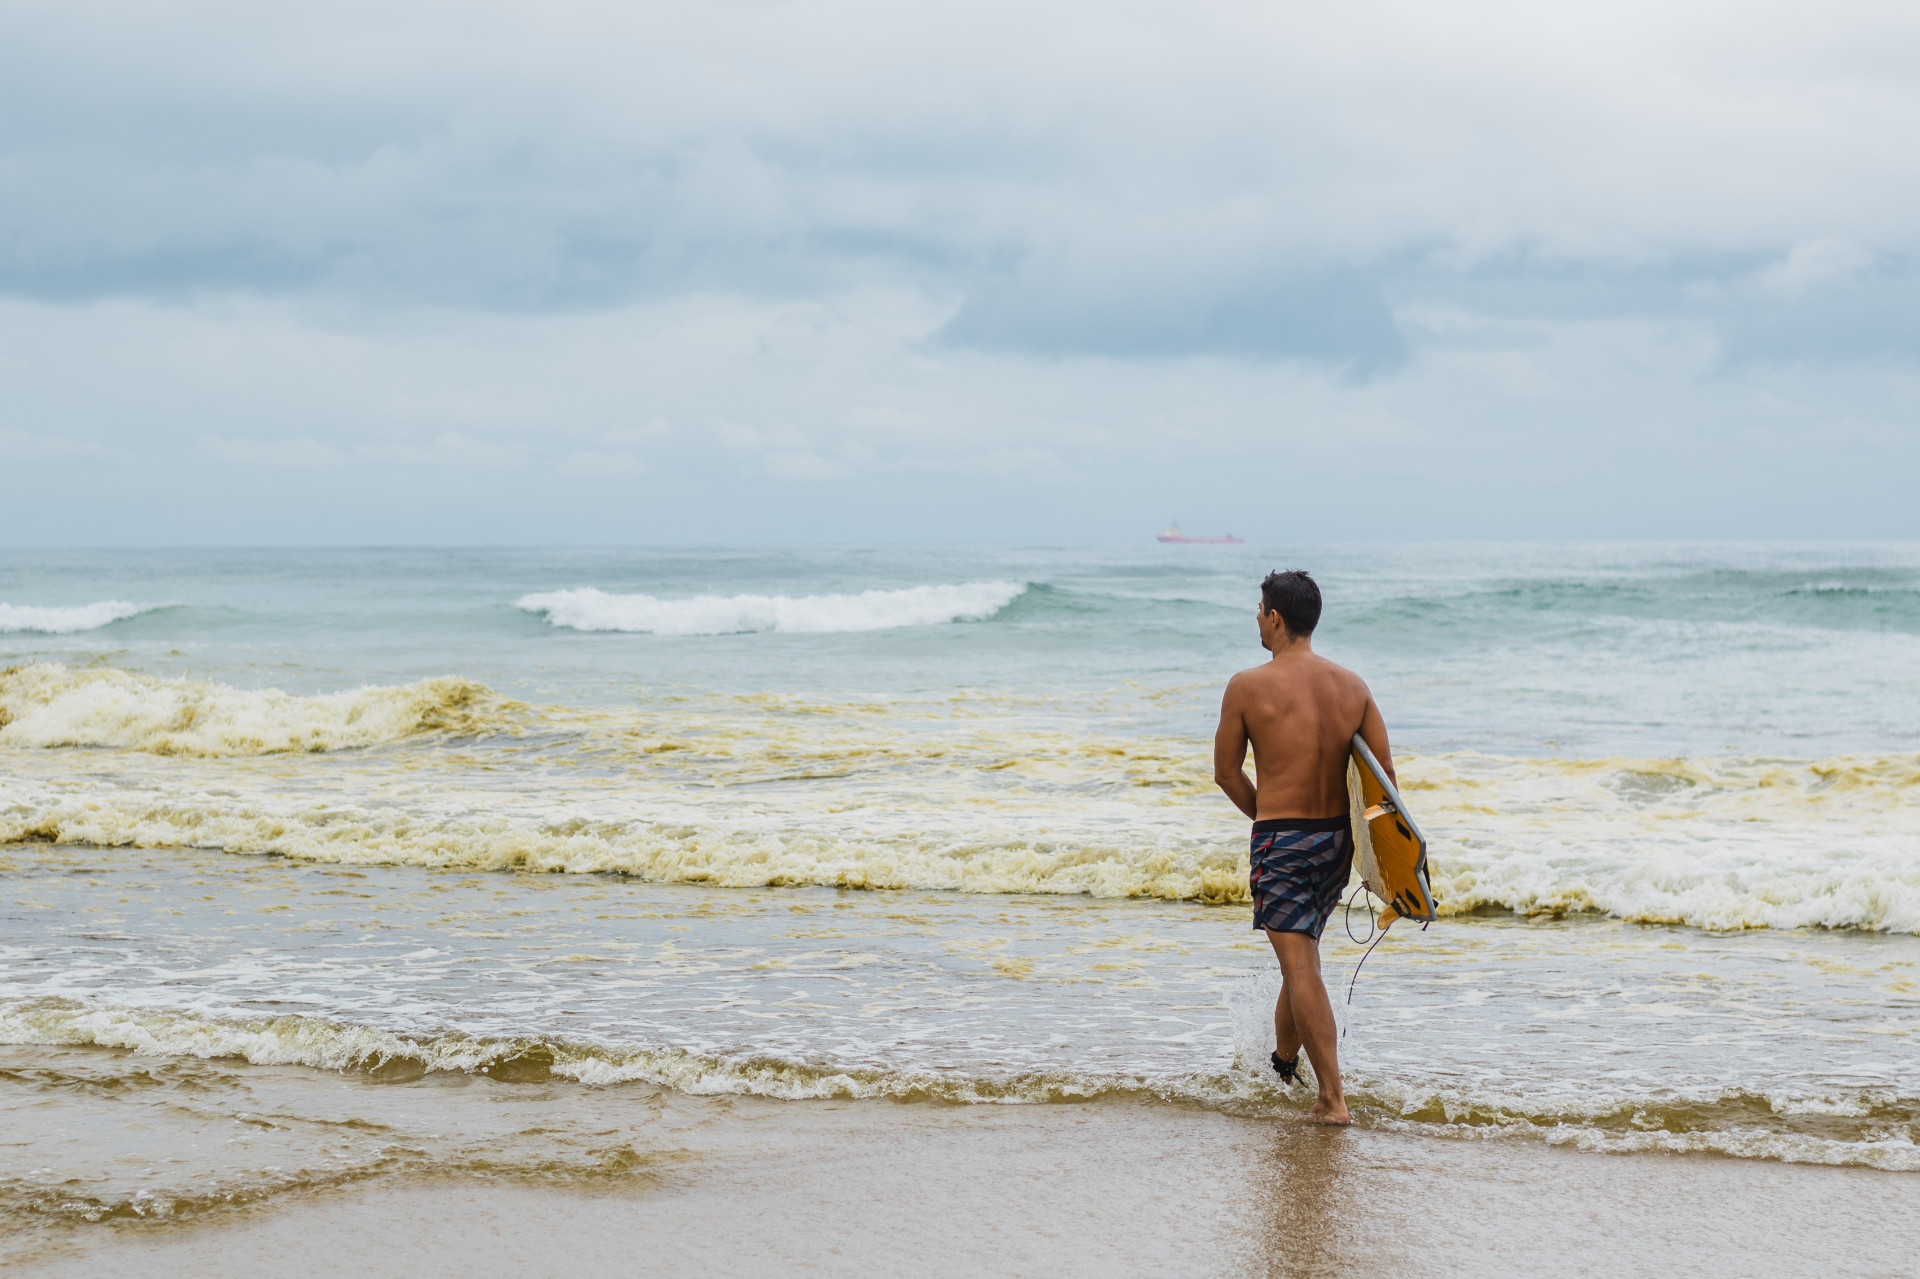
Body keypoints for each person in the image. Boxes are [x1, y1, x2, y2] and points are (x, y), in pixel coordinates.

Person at [1213, 569, 1395, 1126]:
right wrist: (1373, 859)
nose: (1258, 619)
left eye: (1260, 609)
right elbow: (1383, 784)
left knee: (1300, 967)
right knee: (1303, 961)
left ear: (1275, 617)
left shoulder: (1247, 685)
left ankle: (1332, 1100)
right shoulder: (1353, 686)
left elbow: (1226, 775)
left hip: (1282, 841)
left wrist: (1267, 818)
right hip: (1335, 844)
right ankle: (1283, 1063)